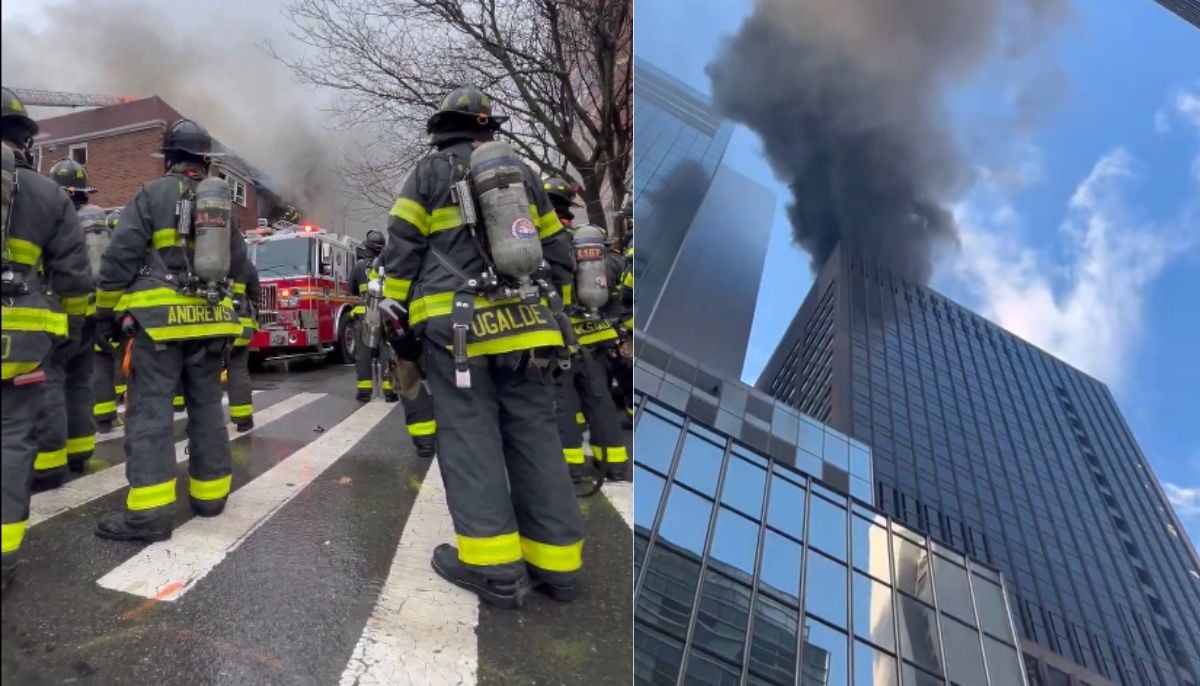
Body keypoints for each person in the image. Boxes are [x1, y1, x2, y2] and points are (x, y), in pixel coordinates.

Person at [380, 86, 584, 608]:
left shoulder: (426, 175)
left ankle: (495, 569)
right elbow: (559, 255)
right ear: (487, 130)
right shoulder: (524, 176)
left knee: (471, 438)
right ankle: (557, 566)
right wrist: (548, 315)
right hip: (530, 328)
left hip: (459, 331)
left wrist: (398, 321)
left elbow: (401, 253)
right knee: (535, 437)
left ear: (441, 128)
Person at [92, 118, 248, 542]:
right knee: (207, 408)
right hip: (211, 324)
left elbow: (119, 259)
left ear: (170, 159)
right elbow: (242, 267)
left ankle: (149, 514)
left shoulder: (151, 194)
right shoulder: (221, 206)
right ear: (203, 159)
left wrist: (106, 313)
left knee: (151, 413)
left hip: (158, 328)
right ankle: (210, 496)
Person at [1, 86, 92, 590]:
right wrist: (70, 333)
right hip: (23, 337)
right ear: (25, 141)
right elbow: (74, 279)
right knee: (12, 438)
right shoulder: (46, 194)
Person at [542, 179, 629, 483]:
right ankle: (614, 464)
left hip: (562, 336)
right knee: (599, 399)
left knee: (562, 401)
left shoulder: (546, 244)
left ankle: (571, 467)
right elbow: (613, 286)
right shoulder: (589, 246)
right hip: (596, 337)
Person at [31, 159, 104, 485]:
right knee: (80, 381)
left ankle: (48, 463)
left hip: (63, 313)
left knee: (52, 381)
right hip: (91, 312)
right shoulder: (96, 218)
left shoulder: (52, 216)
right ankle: (80, 452)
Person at [349, 230, 399, 403]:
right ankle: (390, 392)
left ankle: (364, 392)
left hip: (365, 315)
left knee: (363, 354)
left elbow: (352, 290)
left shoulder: (359, 266)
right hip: (387, 314)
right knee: (387, 352)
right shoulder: (392, 266)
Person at [92, 207, 127, 433]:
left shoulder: (98, 252)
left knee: (101, 366)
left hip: (98, 316)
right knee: (125, 362)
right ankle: (125, 407)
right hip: (123, 317)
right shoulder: (127, 253)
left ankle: (104, 417)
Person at [227, 257, 259, 431]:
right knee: (238, 369)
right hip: (242, 326)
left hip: (214, 325)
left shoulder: (205, 257)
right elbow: (255, 295)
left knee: (204, 374)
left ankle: (203, 421)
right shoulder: (246, 264)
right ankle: (243, 419)